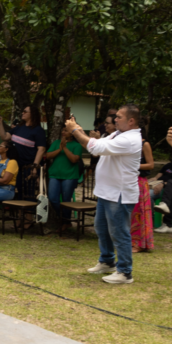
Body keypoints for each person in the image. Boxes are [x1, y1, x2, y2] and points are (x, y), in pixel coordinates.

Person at [65, 105, 143, 285]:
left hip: (119, 194)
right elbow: (100, 144)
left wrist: (76, 130)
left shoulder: (130, 139)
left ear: (131, 121)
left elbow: (96, 147)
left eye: (120, 117)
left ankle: (124, 272)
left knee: (119, 232)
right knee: (101, 228)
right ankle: (107, 261)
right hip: (107, 192)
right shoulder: (119, 134)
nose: (115, 119)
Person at [0, 105, 46, 189]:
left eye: (25, 111)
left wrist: (34, 167)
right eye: (22, 111)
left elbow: (41, 149)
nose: (22, 113)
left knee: (28, 193)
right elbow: (4, 137)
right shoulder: (19, 127)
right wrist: (0, 123)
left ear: (32, 114)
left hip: (28, 167)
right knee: (17, 190)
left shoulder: (38, 130)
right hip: (15, 165)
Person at [45, 126, 83, 222]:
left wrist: (64, 148)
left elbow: (74, 159)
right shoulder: (56, 143)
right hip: (54, 174)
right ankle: (65, 219)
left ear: (73, 133)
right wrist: (59, 149)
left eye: (66, 130)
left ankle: (65, 222)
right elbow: (47, 156)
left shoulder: (77, 145)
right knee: (53, 198)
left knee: (66, 200)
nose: (63, 132)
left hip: (69, 176)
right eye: (63, 130)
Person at [131, 130, 156, 253]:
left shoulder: (144, 144)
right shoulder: (127, 142)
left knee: (139, 212)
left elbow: (151, 165)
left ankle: (140, 243)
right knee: (130, 212)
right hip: (127, 180)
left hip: (139, 181)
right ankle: (131, 241)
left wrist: (132, 165)